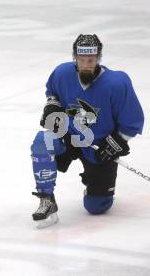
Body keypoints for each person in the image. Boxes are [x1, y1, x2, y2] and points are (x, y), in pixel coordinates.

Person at [31, 34, 144, 228]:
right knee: (43, 141)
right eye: (81, 60)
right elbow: (53, 94)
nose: (86, 65)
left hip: (98, 145)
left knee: (96, 207)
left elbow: (132, 123)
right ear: (75, 58)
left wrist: (113, 144)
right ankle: (46, 199)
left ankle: (95, 187)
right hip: (68, 137)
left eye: (90, 60)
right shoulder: (62, 73)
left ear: (98, 59)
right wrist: (52, 106)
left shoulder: (117, 83)